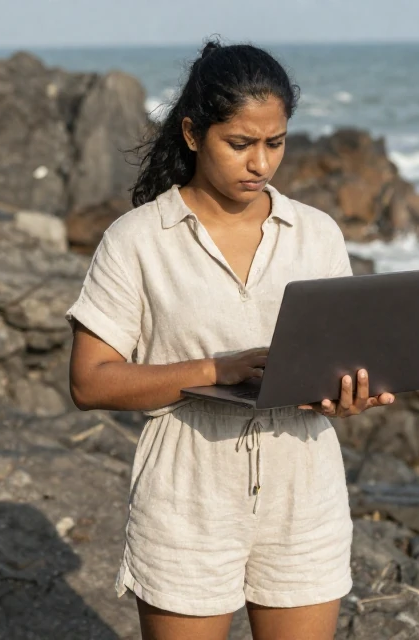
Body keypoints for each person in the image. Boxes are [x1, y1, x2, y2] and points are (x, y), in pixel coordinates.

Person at [66, 40, 395, 640]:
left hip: (305, 488)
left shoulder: (316, 234)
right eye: (240, 144)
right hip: (187, 490)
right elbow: (90, 381)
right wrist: (219, 368)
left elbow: (336, 358)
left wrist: (347, 396)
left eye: (276, 143)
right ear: (192, 133)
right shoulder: (137, 240)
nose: (261, 164)